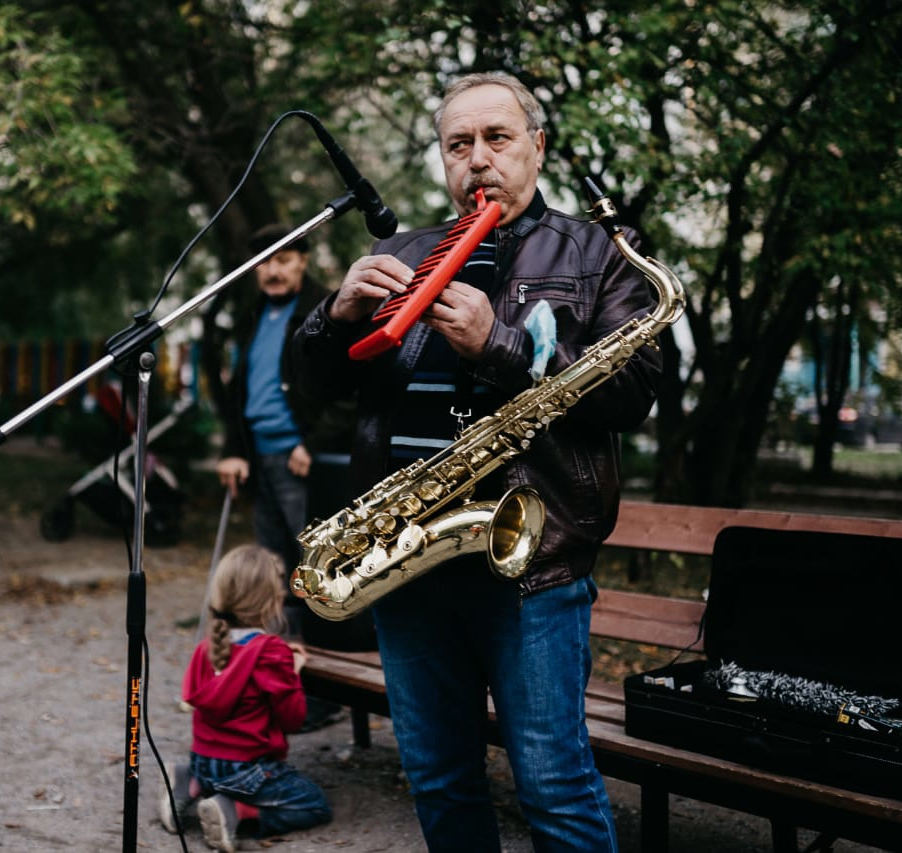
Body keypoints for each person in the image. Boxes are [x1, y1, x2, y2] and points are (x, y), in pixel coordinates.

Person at [291, 72, 663, 851]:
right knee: (438, 779)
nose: (478, 159)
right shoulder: (402, 250)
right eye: (458, 144)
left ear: (537, 145)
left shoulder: (601, 252)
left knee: (553, 787)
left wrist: (500, 345)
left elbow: (631, 391)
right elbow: (312, 384)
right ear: (442, 159)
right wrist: (335, 313)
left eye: (497, 138)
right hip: (408, 560)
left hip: (534, 564)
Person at [216, 225, 367, 721]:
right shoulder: (250, 315)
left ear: (303, 261)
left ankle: (322, 696)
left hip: (306, 462)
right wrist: (233, 449)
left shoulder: (328, 308)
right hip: (260, 460)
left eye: (284, 259)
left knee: (315, 575)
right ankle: (274, 686)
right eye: (264, 261)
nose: (273, 269)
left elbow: (354, 386)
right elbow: (236, 393)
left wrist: (314, 442)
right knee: (270, 578)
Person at [160, 544, 332, 852]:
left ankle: (191, 782)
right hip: (246, 772)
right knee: (315, 804)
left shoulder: (207, 647)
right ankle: (236, 811)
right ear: (271, 600)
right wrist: (293, 671)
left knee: (214, 775)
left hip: (203, 760)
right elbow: (293, 719)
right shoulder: (271, 652)